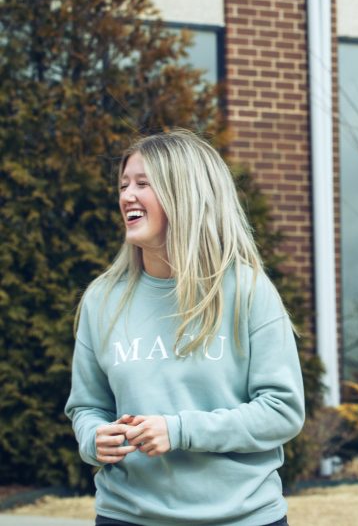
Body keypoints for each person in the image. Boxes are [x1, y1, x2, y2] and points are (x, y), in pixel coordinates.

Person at [65, 129, 305, 526]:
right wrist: (94, 438)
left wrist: (179, 430)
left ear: (185, 193)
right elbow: (88, 407)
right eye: (124, 184)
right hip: (127, 515)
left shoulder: (246, 289)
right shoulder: (102, 298)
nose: (127, 195)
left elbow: (282, 411)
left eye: (143, 184)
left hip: (242, 517)